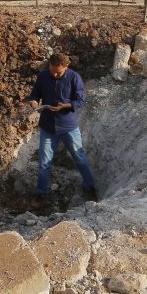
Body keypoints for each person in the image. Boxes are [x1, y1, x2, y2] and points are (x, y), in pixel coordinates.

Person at [27, 53, 97, 209]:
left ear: (66, 67)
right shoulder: (43, 76)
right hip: (48, 126)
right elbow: (34, 94)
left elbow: (80, 100)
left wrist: (64, 106)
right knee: (44, 163)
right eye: (52, 70)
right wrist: (33, 101)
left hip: (68, 127)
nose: (55, 74)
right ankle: (41, 194)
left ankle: (90, 188)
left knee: (79, 158)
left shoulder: (74, 78)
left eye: (58, 71)